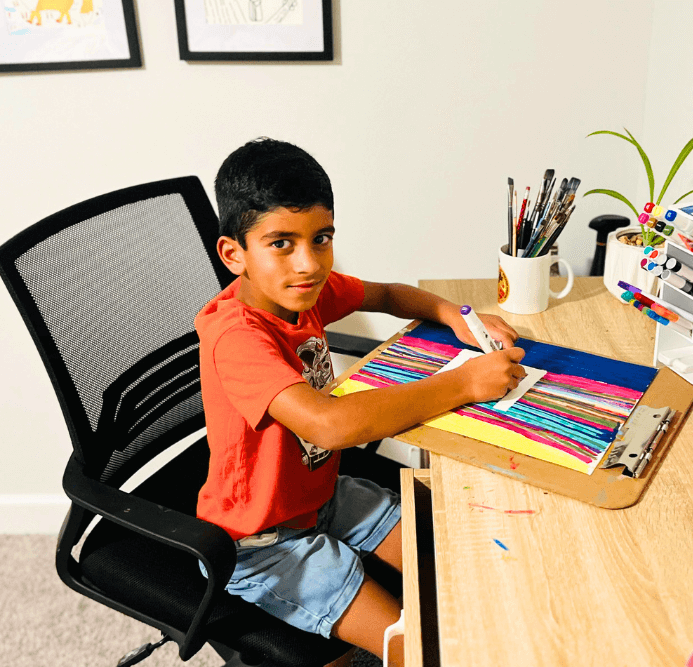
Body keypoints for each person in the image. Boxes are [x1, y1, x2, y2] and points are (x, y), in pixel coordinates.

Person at [195, 137, 526, 666]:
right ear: (235, 254)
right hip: (259, 542)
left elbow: (390, 294)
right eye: (282, 243)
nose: (309, 263)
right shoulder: (235, 336)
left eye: (321, 238)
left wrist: (459, 315)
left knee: (462, 566)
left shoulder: (303, 291)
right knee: (417, 646)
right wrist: (464, 384)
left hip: (322, 494)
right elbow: (328, 426)